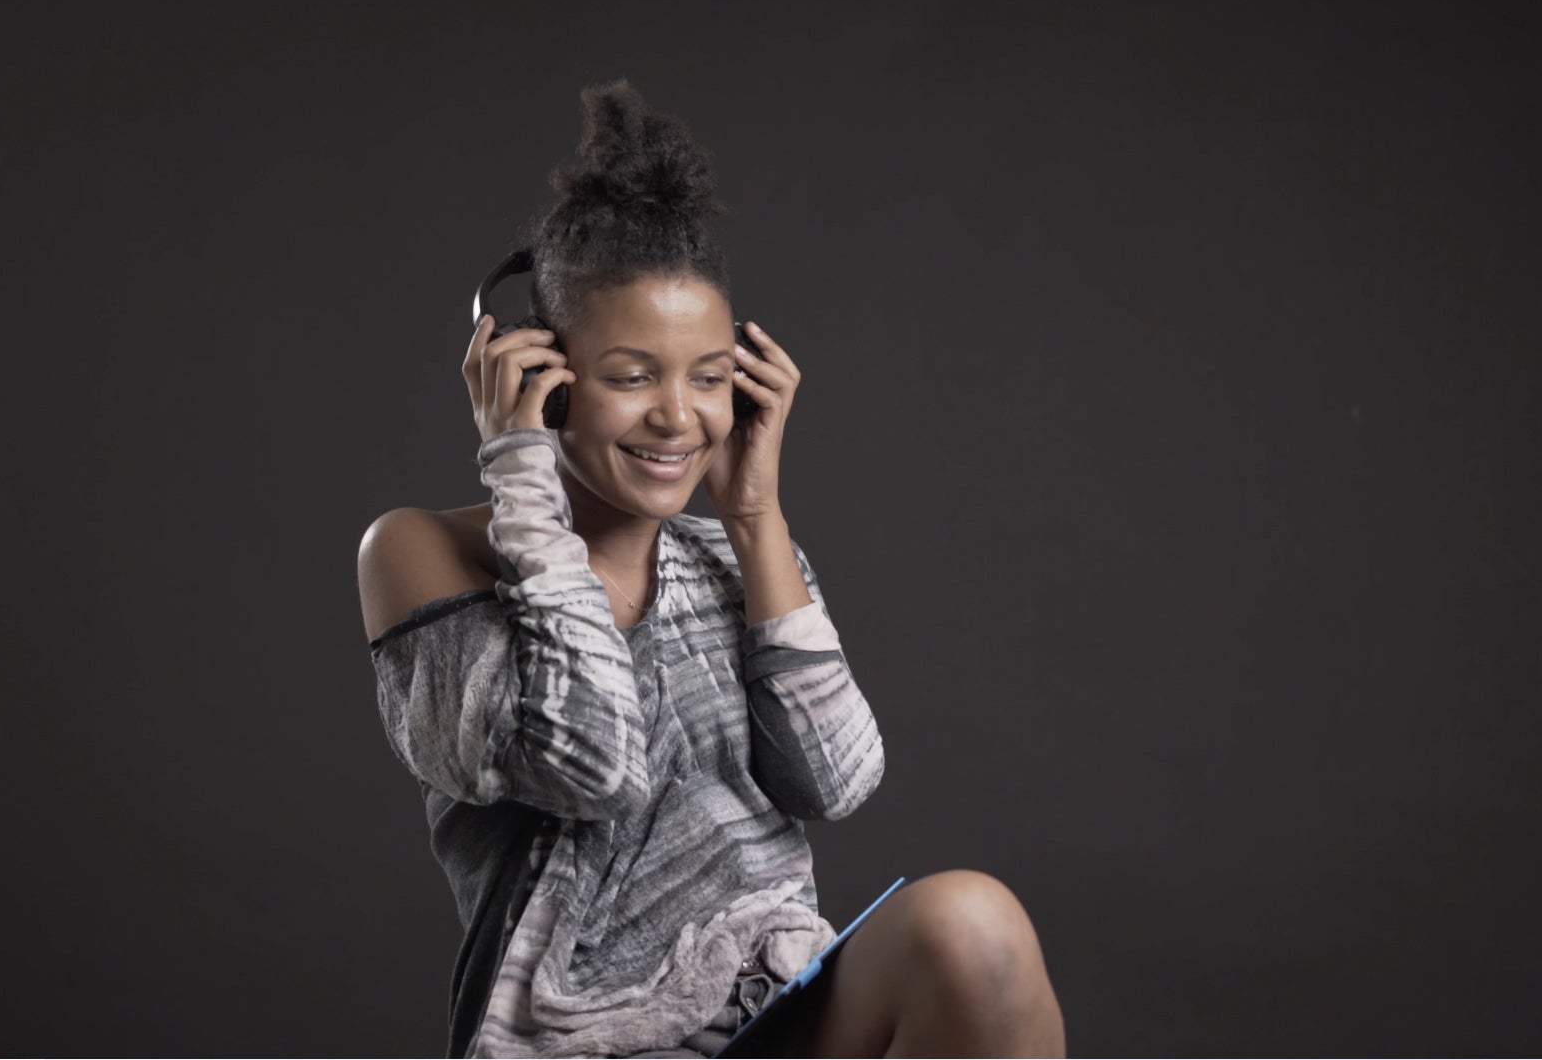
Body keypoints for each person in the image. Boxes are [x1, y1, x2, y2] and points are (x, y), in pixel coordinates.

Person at [358, 80, 1066, 1058]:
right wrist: (520, 471)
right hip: (591, 1044)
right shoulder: (425, 551)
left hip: (774, 1021)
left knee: (970, 924)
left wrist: (754, 516)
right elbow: (589, 763)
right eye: (632, 376)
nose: (679, 418)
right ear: (543, 375)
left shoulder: (729, 555)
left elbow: (837, 781)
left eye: (706, 376)